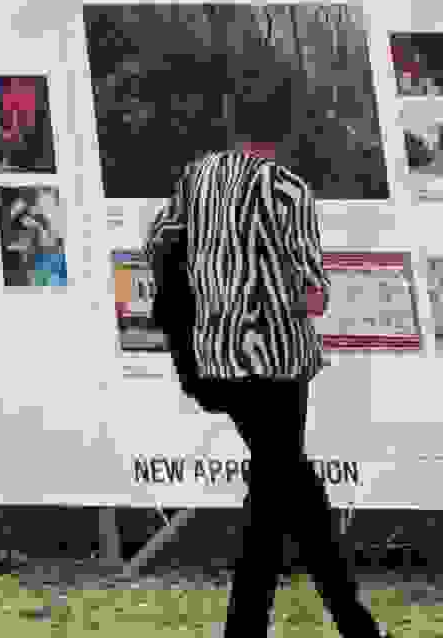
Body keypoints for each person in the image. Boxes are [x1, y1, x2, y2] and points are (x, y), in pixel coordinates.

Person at [151, 125, 387, 638]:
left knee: (287, 485)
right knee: (279, 490)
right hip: (278, 363)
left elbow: (159, 244)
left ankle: (349, 621)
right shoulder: (287, 189)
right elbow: (311, 294)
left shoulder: (198, 177)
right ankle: (261, 626)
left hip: (218, 360)